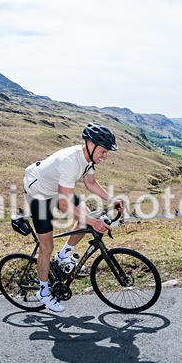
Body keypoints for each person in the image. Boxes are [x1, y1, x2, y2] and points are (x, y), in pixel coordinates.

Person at [23, 122, 124, 311]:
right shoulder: (71, 161)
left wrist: (112, 199)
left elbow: (91, 183)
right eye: (103, 151)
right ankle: (43, 292)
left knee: (84, 216)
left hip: (54, 190)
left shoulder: (88, 159)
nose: (105, 156)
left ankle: (64, 256)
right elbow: (64, 205)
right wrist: (93, 222)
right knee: (47, 246)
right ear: (90, 144)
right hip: (38, 194)